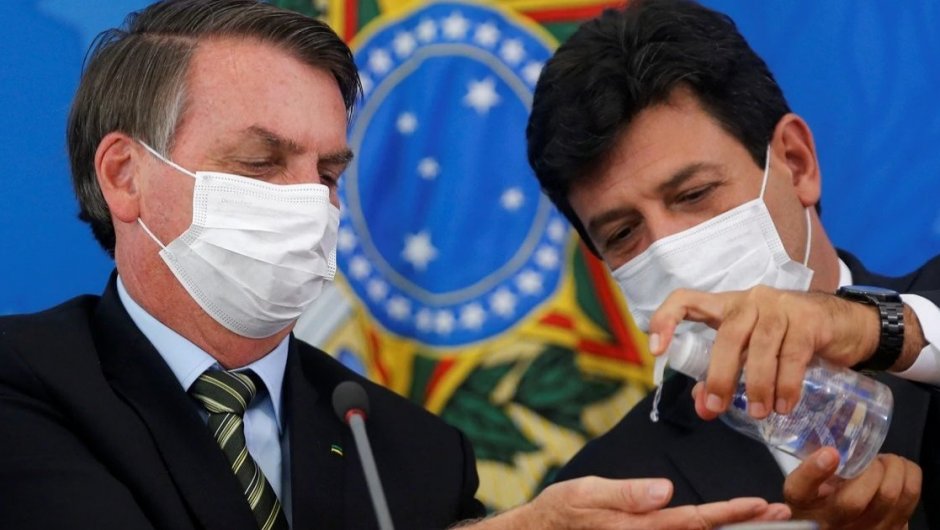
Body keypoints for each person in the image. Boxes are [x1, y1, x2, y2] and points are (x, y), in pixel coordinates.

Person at [0, 1, 792, 528]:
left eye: (330, 173)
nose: (310, 204)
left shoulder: (410, 449)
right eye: (263, 162)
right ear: (124, 177)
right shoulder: (23, 386)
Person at [525, 0, 940, 528]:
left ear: (796, 163)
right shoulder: (612, 496)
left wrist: (875, 327)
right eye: (624, 233)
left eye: (694, 193)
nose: (671, 255)